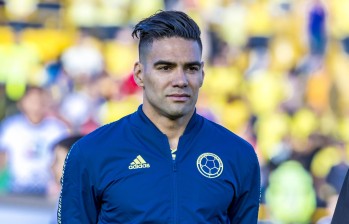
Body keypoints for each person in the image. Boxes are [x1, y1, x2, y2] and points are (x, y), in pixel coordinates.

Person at [58, 10, 260, 223]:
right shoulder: (91, 152)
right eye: (165, 68)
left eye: (190, 68)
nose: (180, 80)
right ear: (139, 74)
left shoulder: (239, 155)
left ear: (202, 74)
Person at [0, 85, 69, 195]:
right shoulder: (10, 127)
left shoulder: (57, 129)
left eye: (41, 101)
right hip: (16, 190)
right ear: (22, 102)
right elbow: (2, 159)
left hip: (47, 192)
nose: (36, 106)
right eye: (32, 101)